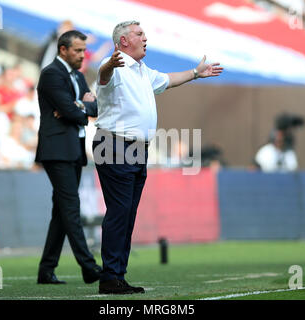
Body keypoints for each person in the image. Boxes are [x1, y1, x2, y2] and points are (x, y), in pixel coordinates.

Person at [92, 20, 223, 294]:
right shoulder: (114, 65)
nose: (145, 38)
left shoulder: (142, 70)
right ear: (123, 41)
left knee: (126, 214)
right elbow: (102, 76)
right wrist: (107, 65)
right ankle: (109, 277)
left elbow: (168, 80)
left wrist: (196, 73)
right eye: (139, 34)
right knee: (119, 212)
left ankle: (117, 275)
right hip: (114, 144)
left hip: (136, 149)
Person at [35, 30, 101, 285]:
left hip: (73, 148)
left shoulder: (77, 75)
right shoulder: (51, 74)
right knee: (71, 208)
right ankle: (89, 267)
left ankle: (46, 270)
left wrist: (78, 107)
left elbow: (93, 108)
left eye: (83, 50)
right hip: (57, 150)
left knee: (62, 211)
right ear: (63, 50)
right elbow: (68, 110)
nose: (82, 55)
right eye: (78, 50)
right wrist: (78, 107)